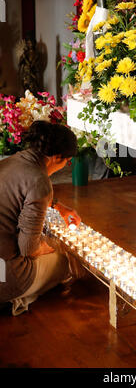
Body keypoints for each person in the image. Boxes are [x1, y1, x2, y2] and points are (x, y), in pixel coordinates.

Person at [0, 120, 81, 316]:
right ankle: (14, 298)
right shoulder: (39, 181)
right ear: (56, 157)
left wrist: (57, 205)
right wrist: (42, 248)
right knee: (65, 261)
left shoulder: (9, 162)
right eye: (67, 162)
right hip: (5, 273)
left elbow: (19, 192)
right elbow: (28, 248)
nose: (65, 166)